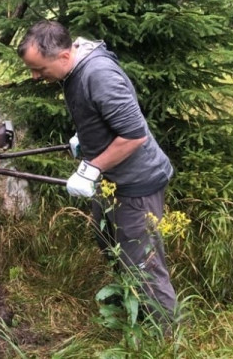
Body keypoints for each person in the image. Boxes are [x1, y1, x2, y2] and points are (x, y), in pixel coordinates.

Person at [17, 20, 177, 331]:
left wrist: (93, 167)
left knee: (143, 265)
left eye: (39, 69)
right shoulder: (75, 70)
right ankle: (132, 313)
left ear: (64, 57)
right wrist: (86, 140)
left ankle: (167, 337)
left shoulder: (98, 75)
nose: (35, 77)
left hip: (136, 183)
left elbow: (133, 136)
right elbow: (105, 117)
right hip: (112, 181)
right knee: (108, 242)